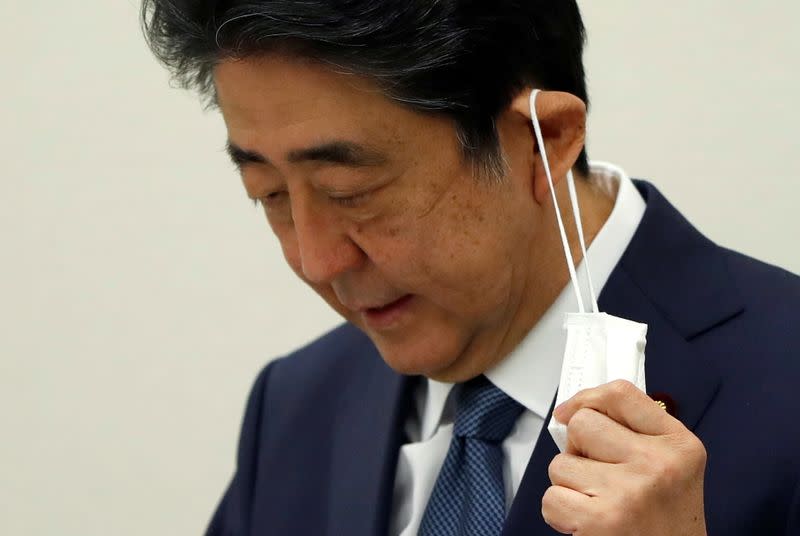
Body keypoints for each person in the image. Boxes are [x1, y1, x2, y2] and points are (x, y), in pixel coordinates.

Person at [142, 1, 800, 535]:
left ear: (548, 140)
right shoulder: (297, 406)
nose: (316, 261)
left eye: (351, 191)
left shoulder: (784, 379)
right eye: (271, 197)